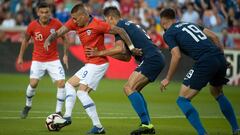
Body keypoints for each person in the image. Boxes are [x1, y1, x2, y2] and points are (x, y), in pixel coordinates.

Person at [44, 3, 141, 134]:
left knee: (81, 92)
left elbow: (121, 31)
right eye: (72, 18)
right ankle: (68, 117)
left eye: (76, 18)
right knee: (69, 85)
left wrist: (131, 48)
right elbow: (59, 32)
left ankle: (97, 127)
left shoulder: (98, 24)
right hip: (91, 64)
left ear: (84, 16)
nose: (73, 21)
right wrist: (49, 39)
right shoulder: (75, 23)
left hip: (99, 63)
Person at [85, 7, 165, 135]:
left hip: (151, 58)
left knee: (128, 88)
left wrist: (99, 52)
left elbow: (119, 49)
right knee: (135, 89)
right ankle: (147, 124)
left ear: (111, 18)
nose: (107, 23)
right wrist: (105, 54)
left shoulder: (120, 27)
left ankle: (146, 124)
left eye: (106, 20)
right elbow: (126, 56)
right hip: (156, 57)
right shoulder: (128, 25)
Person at [159, 8, 240, 135]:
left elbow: (176, 55)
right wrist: (223, 59)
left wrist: (168, 78)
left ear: (163, 22)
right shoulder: (190, 24)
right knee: (217, 93)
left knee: (182, 100)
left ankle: (202, 133)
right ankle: (236, 129)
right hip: (218, 57)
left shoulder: (169, 33)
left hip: (205, 60)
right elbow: (214, 37)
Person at [17, 2, 69, 119]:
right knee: (33, 83)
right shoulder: (32, 26)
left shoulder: (56, 23)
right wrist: (20, 57)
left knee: (61, 83)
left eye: (46, 12)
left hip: (53, 59)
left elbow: (65, 38)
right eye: (42, 12)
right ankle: (27, 105)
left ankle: (58, 112)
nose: (44, 15)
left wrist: (65, 55)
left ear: (50, 12)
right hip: (38, 59)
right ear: (37, 13)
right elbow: (25, 40)